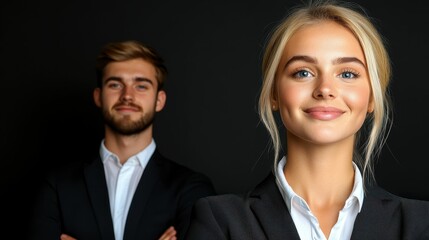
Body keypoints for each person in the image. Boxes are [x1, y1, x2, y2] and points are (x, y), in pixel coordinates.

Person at [185, 1, 429, 239]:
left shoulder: (420, 222)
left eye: (347, 73)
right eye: (303, 72)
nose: (325, 89)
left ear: (373, 97)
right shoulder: (219, 219)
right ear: (273, 93)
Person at [28, 40, 216, 240]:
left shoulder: (191, 188)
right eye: (115, 84)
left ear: (159, 100)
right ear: (98, 96)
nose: (127, 95)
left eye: (141, 86)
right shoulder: (57, 186)